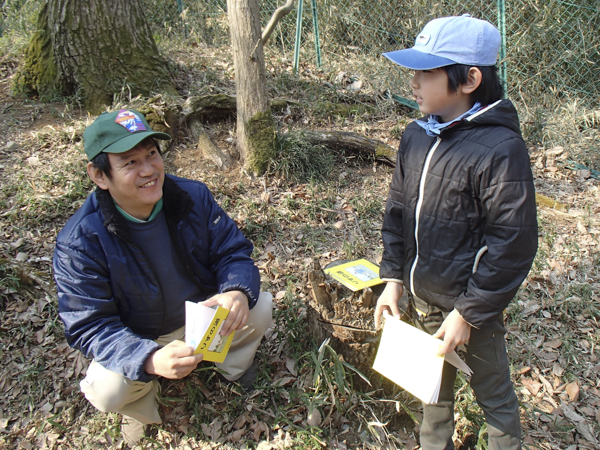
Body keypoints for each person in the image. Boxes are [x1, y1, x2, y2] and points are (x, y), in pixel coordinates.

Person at [53, 109, 273, 444]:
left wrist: (237, 291)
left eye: (152, 154)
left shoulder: (192, 197)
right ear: (99, 175)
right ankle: (143, 401)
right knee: (106, 391)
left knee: (259, 308)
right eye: (130, 163)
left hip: (201, 321)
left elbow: (233, 252)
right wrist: (149, 358)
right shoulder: (81, 241)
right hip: (141, 337)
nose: (148, 170)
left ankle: (231, 366)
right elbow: (89, 324)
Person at [374, 15, 538, 449]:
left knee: (494, 396)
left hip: (472, 313)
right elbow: (397, 213)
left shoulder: (501, 150)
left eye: (427, 71)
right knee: (432, 394)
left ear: (469, 78)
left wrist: (468, 313)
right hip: (423, 298)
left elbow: (513, 245)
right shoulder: (416, 136)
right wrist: (392, 280)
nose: (414, 81)